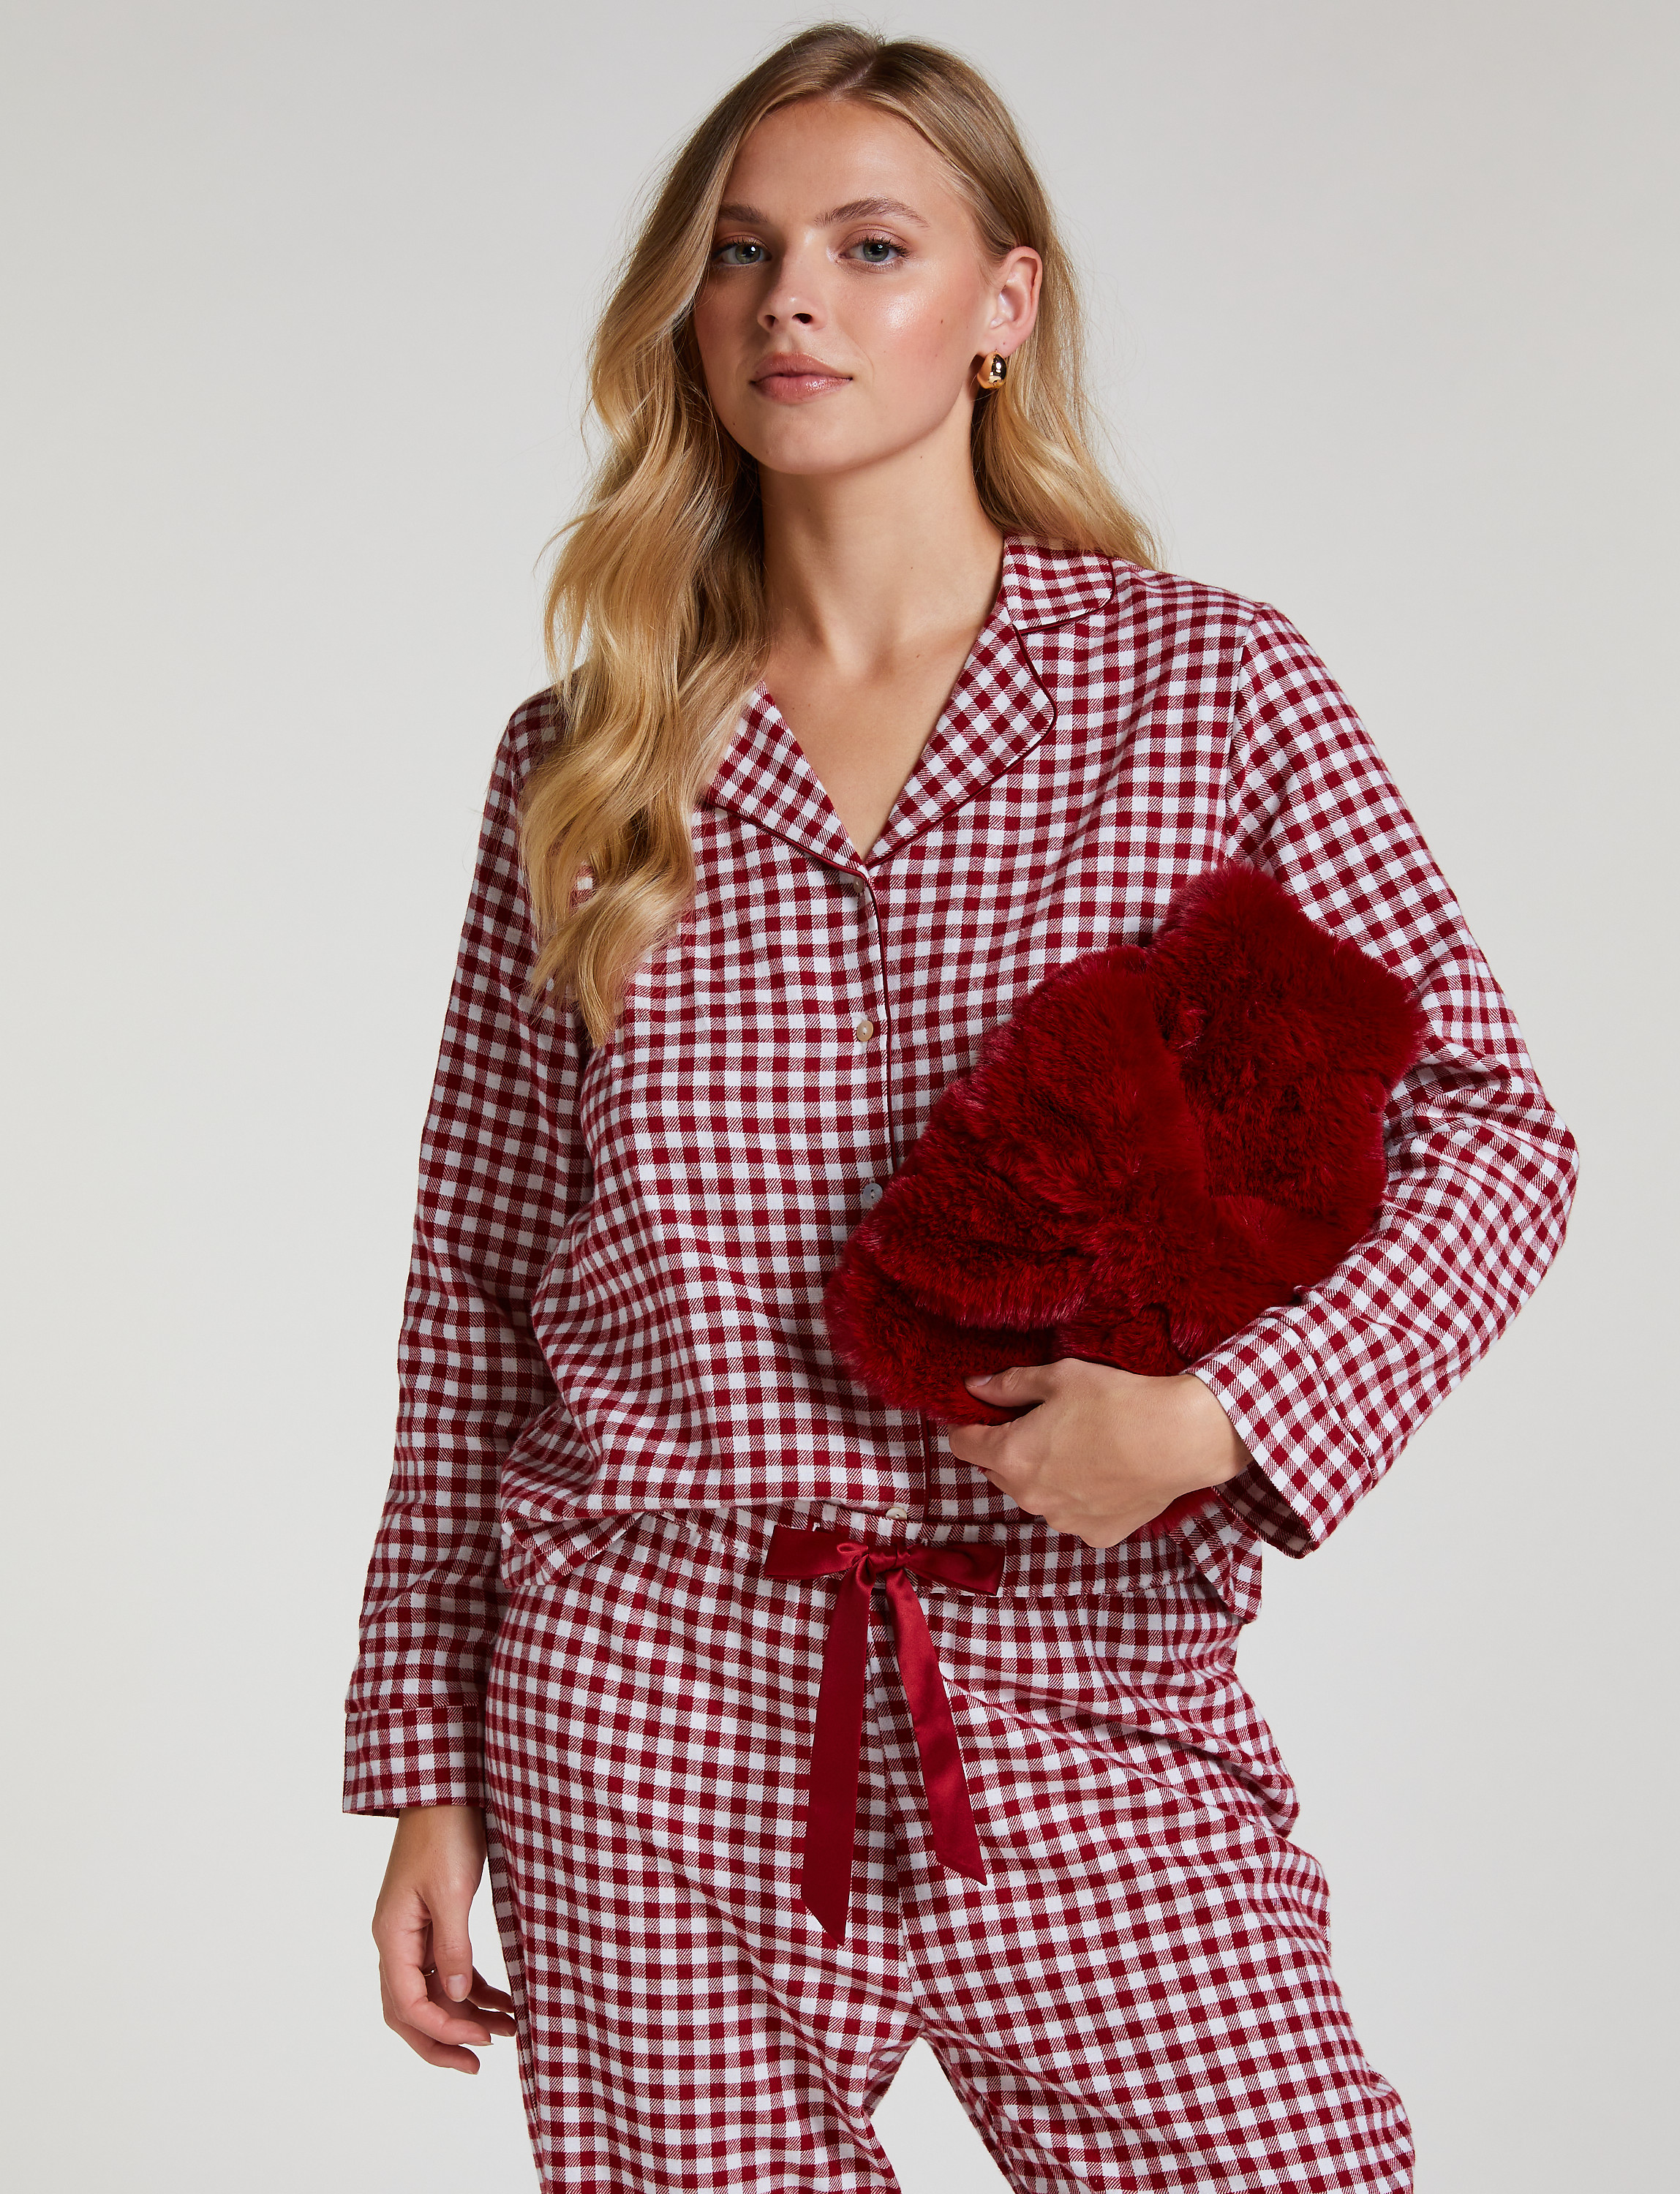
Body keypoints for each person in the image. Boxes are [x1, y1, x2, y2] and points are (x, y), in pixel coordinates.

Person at [345, 23, 1578, 2193]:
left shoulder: (1206, 687)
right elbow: (479, 1283)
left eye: (870, 246)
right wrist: (424, 1763)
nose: (791, 303)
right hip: (649, 1710)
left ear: (1002, 303)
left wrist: (1226, 1424)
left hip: (1085, 1681)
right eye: (742, 254)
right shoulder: (588, 756)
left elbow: (1492, 1132)